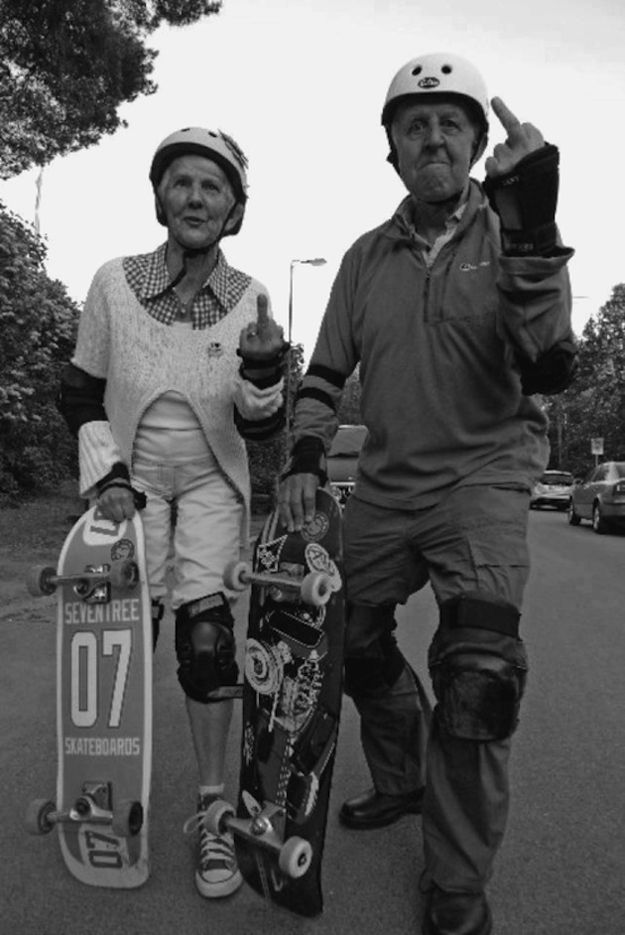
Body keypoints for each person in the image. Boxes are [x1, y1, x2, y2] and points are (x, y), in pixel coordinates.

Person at [279, 53, 577, 935]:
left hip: (484, 477)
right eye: (414, 125)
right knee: (349, 641)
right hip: (386, 486)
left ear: (479, 143)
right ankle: (404, 775)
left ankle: (455, 881)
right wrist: (300, 456)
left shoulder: (513, 230)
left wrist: (531, 230)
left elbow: (551, 364)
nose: (432, 136)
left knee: (479, 680)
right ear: (393, 152)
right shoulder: (365, 259)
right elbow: (323, 376)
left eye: (451, 122)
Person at [57, 127, 287, 900]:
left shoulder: (250, 297)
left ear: (233, 210)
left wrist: (261, 367)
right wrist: (106, 475)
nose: (195, 198)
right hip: (133, 483)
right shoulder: (114, 283)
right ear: (160, 197)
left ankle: (215, 812)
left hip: (215, 486)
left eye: (212, 188)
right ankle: (108, 794)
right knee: (122, 627)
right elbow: (80, 390)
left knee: (209, 640)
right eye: (182, 183)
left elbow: (259, 428)